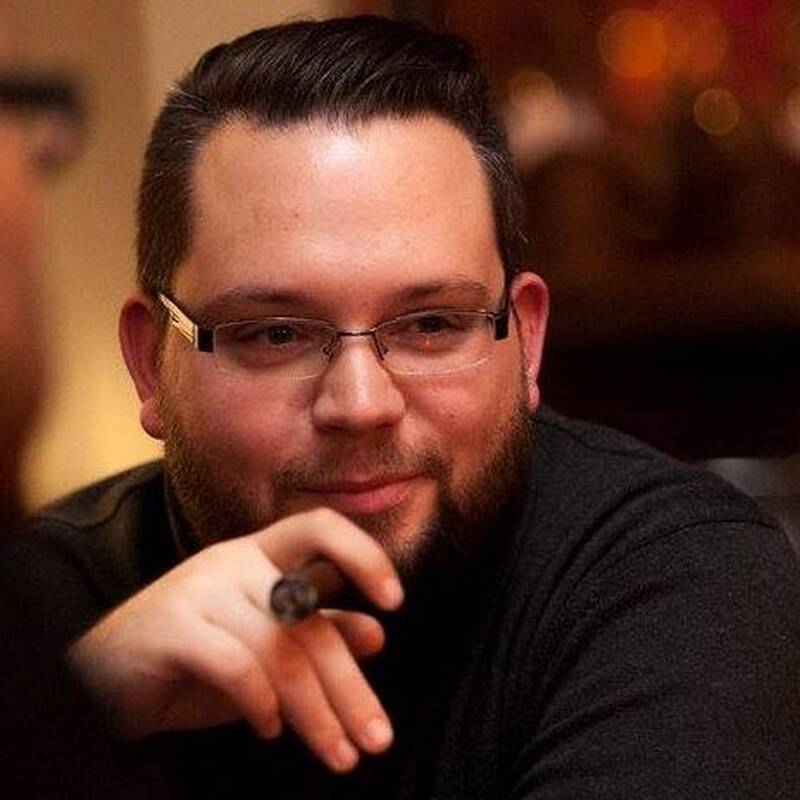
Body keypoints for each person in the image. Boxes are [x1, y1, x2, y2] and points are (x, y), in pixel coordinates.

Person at [8, 15, 800, 798]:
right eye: (277, 334)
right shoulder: (44, 606)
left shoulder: (673, 579)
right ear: (151, 362)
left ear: (526, 341)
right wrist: (78, 706)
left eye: (431, 325)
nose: (361, 405)